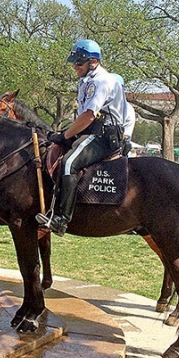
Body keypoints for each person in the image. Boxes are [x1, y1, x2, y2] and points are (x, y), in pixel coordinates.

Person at [36, 39, 127, 236]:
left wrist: (64, 135)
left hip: (103, 135)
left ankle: (61, 219)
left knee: (69, 162)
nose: (74, 66)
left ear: (93, 62)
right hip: (91, 130)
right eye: (74, 62)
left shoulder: (101, 81)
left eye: (79, 62)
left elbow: (89, 115)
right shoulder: (85, 80)